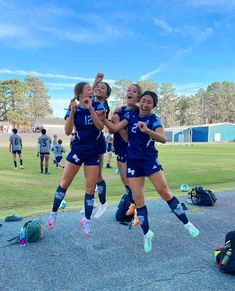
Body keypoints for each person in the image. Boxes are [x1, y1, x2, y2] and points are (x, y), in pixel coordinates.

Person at [103, 91, 200, 253]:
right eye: (143, 101)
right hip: (133, 163)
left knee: (164, 192)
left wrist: (147, 130)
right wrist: (103, 118)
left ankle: (187, 224)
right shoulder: (131, 117)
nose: (145, 104)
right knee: (139, 201)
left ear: (153, 106)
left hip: (149, 160)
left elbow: (163, 138)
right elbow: (113, 129)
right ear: (139, 102)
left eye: (149, 102)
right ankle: (147, 233)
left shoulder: (153, 120)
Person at [48, 82, 105, 237]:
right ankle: (53, 212)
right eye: (88, 89)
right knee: (65, 183)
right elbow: (67, 131)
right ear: (80, 93)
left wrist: (91, 108)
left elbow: (100, 127)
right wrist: (72, 112)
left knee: (90, 188)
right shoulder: (73, 107)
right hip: (78, 150)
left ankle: (86, 220)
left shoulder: (98, 106)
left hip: (93, 152)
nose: (91, 91)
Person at [112, 84, 142, 224]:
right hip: (119, 149)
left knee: (131, 185)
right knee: (126, 183)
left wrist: (118, 125)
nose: (130, 92)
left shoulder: (138, 113)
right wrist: (114, 117)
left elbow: (128, 139)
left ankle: (135, 214)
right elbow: (111, 130)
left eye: (134, 91)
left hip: (131, 152)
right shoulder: (120, 110)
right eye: (128, 90)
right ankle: (132, 211)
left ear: (138, 97)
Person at [91, 73, 112, 219]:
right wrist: (95, 81)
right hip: (87, 142)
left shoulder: (102, 106)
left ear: (107, 94)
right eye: (97, 87)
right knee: (89, 175)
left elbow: (89, 97)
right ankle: (90, 202)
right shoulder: (92, 101)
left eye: (102, 87)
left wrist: (95, 83)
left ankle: (103, 203)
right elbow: (87, 96)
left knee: (97, 175)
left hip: (97, 142)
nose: (99, 88)